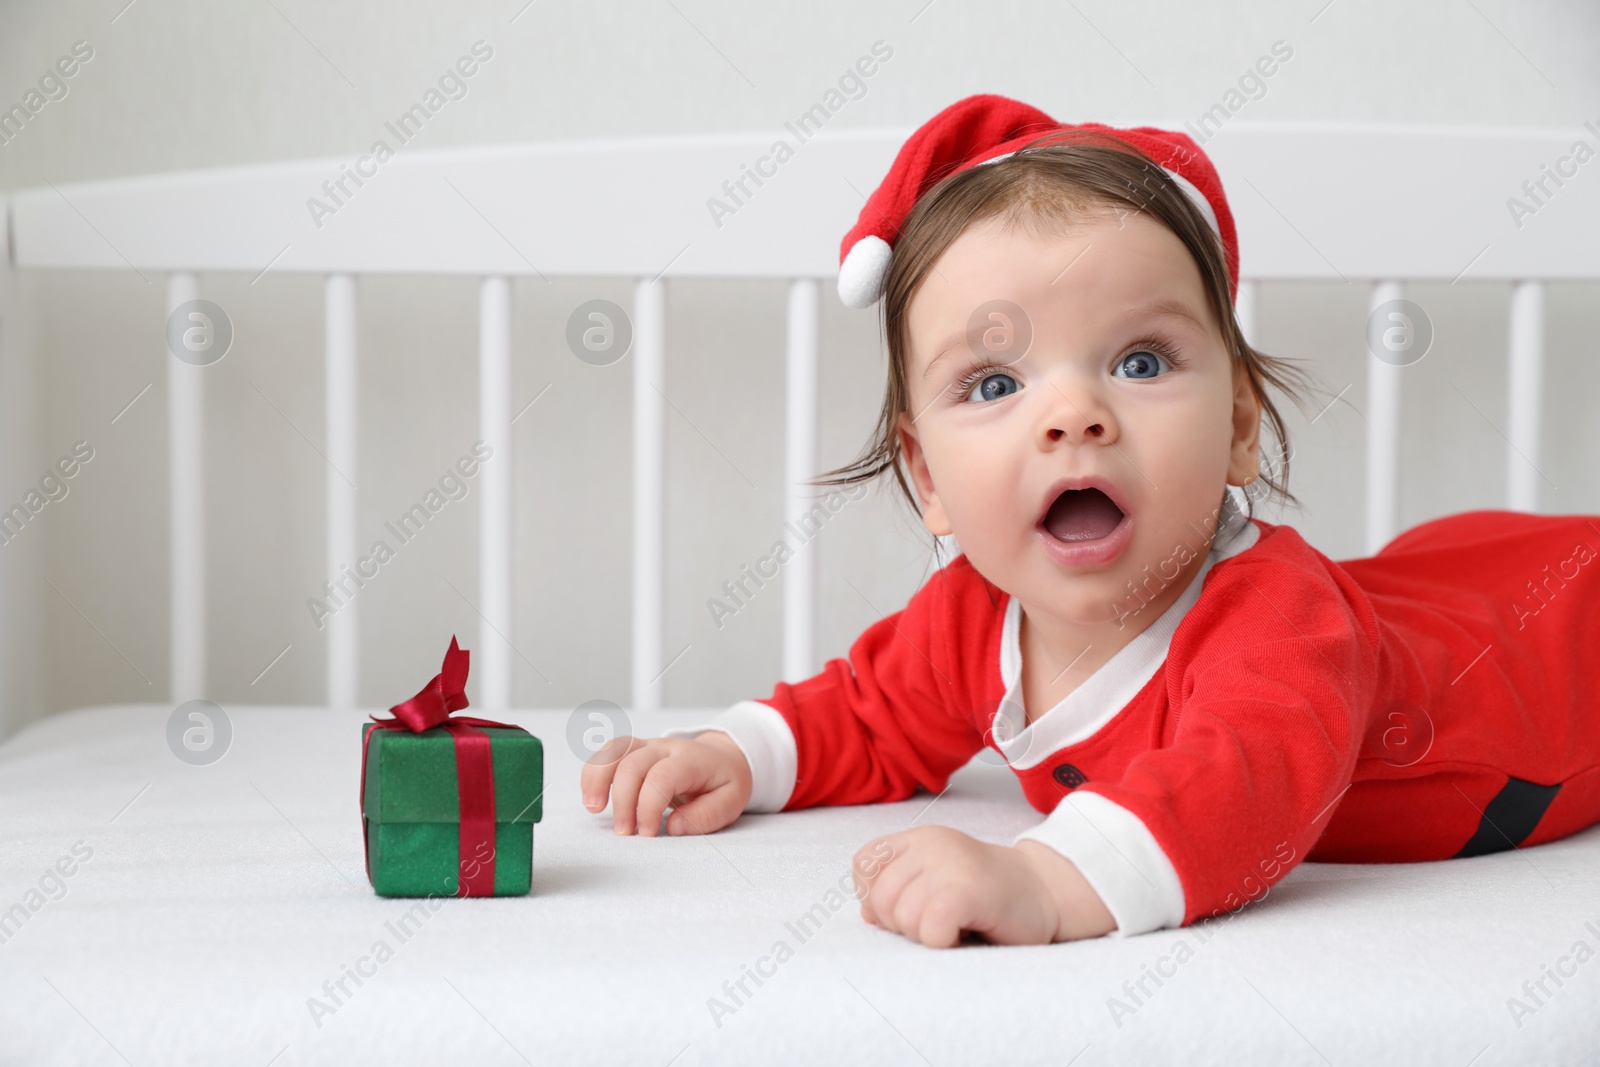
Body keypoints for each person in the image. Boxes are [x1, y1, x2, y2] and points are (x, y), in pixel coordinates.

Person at [580, 93, 1600, 949]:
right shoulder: (972, 620)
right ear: (927, 474)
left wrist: (1046, 882)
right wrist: (740, 754)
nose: (1073, 414)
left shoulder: (1281, 619)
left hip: (1551, 664)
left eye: (1140, 362)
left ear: (1239, 423)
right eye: (993, 381)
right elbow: (868, 712)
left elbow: (1240, 785)